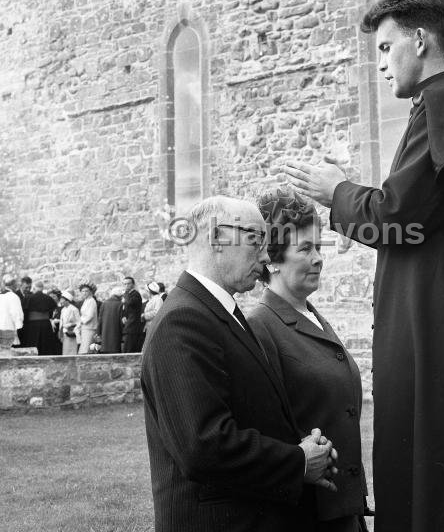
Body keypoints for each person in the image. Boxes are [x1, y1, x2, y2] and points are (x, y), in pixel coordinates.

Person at [284, 0, 444, 532]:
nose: (379, 64)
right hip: (440, 309)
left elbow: (394, 216)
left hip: (440, 320)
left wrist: (337, 191)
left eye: (385, 47)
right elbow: (410, 218)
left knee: (441, 460)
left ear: (421, 40)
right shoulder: (439, 107)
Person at [141, 196, 339, 532]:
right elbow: (203, 445)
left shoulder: (219, 313)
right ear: (218, 237)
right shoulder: (183, 320)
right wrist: (298, 461)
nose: (265, 256)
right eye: (255, 240)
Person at [248, 187, 370, 532]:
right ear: (272, 260)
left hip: (344, 507)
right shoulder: (260, 326)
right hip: (306, 515)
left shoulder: (313, 315)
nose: (319, 258)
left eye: (318, 247)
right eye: (305, 249)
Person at [25, 280, 58, 355]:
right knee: (46, 344)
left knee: (33, 343)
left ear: (34, 288)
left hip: (33, 325)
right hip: (45, 324)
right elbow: (51, 313)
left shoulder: (29, 298)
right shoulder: (49, 298)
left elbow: (25, 312)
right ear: (42, 288)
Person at [0, 275, 24, 353]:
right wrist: (19, 326)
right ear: (13, 285)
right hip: (8, 328)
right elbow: (16, 313)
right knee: (6, 352)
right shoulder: (13, 296)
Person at [98, 286, 123, 353]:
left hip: (105, 332)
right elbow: (121, 320)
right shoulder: (120, 304)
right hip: (116, 332)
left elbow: (100, 319)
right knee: (115, 351)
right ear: (120, 296)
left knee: (105, 351)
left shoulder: (104, 303)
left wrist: (99, 332)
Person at [121, 276, 144, 352]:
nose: (126, 286)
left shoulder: (135, 294)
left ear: (133, 284)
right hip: (128, 325)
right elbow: (125, 307)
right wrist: (123, 316)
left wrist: (125, 295)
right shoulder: (127, 294)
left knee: (129, 349)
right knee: (127, 348)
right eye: (124, 284)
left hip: (133, 326)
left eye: (128, 284)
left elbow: (130, 303)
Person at [78, 282, 98, 354]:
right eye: (83, 291)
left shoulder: (92, 301)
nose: (84, 293)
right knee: (84, 346)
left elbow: (90, 316)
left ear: (90, 292)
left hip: (90, 327)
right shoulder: (86, 301)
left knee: (87, 347)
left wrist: (81, 321)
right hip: (84, 327)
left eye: (86, 291)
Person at [59, 290, 81, 355]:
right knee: (65, 351)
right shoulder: (63, 310)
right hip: (64, 333)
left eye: (62, 300)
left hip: (71, 332)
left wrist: (71, 325)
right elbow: (61, 322)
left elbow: (79, 322)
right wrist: (60, 333)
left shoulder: (74, 309)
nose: (61, 301)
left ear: (67, 300)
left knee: (72, 350)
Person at [15, 275, 32, 346]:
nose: (28, 289)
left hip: (29, 325)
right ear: (21, 285)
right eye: (26, 287)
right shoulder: (15, 295)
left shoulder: (32, 295)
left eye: (30, 287)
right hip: (18, 326)